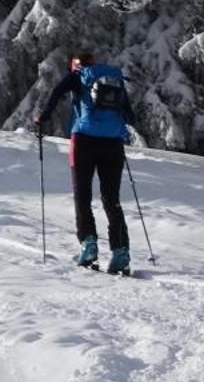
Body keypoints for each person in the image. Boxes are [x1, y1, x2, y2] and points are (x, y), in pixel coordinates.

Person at [35, 52, 132, 275]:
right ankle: (121, 253)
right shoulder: (112, 80)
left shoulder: (77, 76)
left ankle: (89, 245)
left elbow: (56, 93)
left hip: (84, 142)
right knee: (112, 199)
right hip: (113, 145)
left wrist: (42, 118)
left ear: (74, 65)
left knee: (83, 196)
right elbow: (129, 114)